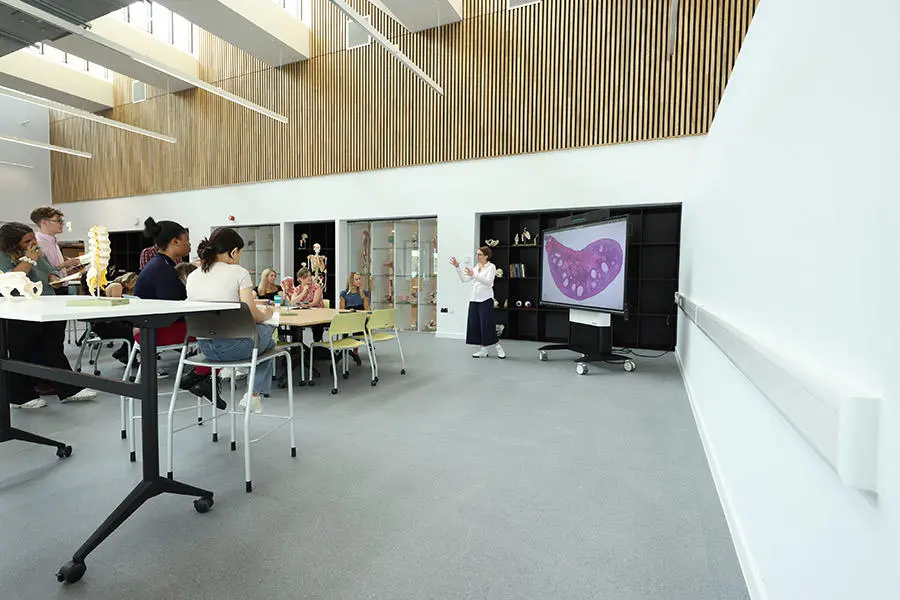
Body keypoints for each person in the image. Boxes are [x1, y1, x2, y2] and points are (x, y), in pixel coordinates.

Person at [0, 222, 96, 408]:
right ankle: (20, 397)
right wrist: (28, 260)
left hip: (45, 305)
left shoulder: (37, 251)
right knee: (20, 353)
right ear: (13, 243)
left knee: (52, 348)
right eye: (27, 240)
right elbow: (10, 279)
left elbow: (48, 269)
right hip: (20, 310)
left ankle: (69, 389)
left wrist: (54, 277)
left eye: (33, 238)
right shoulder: (3, 256)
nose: (33, 242)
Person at [186, 228, 276, 414]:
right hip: (235, 348)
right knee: (268, 334)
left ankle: (250, 392)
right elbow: (251, 314)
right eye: (240, 253)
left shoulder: (193, 276)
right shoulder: (239, 272)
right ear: (234, 252)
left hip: (205, 347)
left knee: (261, 339)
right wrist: (268, 314)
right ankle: (253, 395)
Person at [133, 218, 218, 403]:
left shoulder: (160, 265)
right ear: (174, 241)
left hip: (151, 328)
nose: (189, 244)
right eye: (186, 240)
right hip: (156, 331)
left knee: (214, 328)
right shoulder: (163, 270)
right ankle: (200, 375)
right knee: (221, 331)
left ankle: (205, 377)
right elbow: (176, 307)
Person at [451, 247, 506, 359]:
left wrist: (474, 275)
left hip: (485, 300)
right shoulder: (476, 267)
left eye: (480, 254)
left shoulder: (491, 267)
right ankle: (483, 350)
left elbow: (489, 283)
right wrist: (458, 268)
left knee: (487, 325)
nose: (477, 256)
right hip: (474, 300)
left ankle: (498, 347)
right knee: (476, 325)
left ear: (486, 256)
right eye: (477, 254)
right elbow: (464, 279)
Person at [90, 272, 138, 364]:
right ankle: (124, 354)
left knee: (134, 329)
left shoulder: (116, 286)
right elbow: (117, 304)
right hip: (108, 323)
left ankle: (123, 353)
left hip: (105, 322)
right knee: (137, 331)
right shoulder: (117, 286)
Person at [30, 207, 82, 292]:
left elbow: (54, 268)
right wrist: (65, 264)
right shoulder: (38, 243)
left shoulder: (52, 240)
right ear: (44, 223)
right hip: (50, 289)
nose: (62, 224)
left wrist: (68, 271)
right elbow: (42, 271)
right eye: (59, 221)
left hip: (62, 286)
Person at [339, 272, 368, 365]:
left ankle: (355, 352)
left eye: (359, 279)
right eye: (356, 279)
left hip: (359, 319)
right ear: (351, 281)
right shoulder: (344, 293)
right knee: (345, 324)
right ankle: (344, 348)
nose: (359, 281)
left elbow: (366, 310)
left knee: (359, 324)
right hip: (348, 317)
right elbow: (341, 310)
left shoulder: (363, 294)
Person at [291, 266, 325, 341]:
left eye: (310, 275)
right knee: (294, 323)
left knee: (317, 324)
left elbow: (315, 302)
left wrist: (304, 305)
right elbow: (292, 302)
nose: (309, 278)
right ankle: (297, 346)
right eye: (306, 277)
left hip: (317, 313)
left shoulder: (316, 287)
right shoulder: (298, 288)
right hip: (303, 314)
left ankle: (316, 344)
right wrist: (303, 292)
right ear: (300, 278)